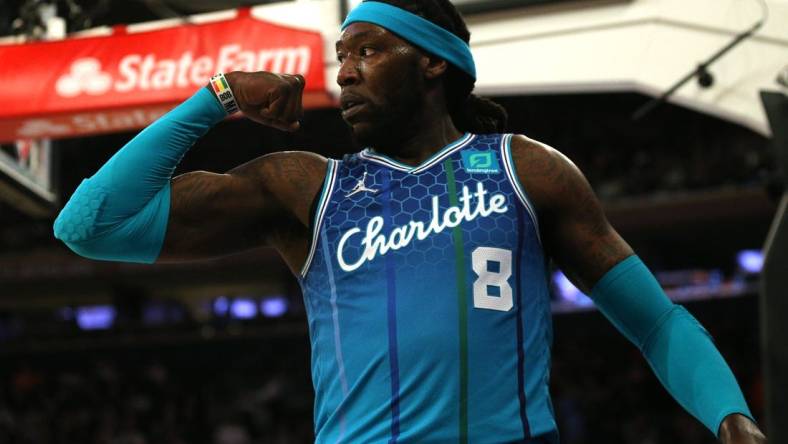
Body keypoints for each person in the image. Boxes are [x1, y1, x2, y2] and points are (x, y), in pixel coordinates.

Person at [53, 0, 767, 443]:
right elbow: (90, 224)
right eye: (342, 57)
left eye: (367, 50)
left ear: (432, 64)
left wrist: (733, 420)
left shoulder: (528, 169)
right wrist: (215, 97)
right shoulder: (305, 187)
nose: (345, 73)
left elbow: (657, 322)